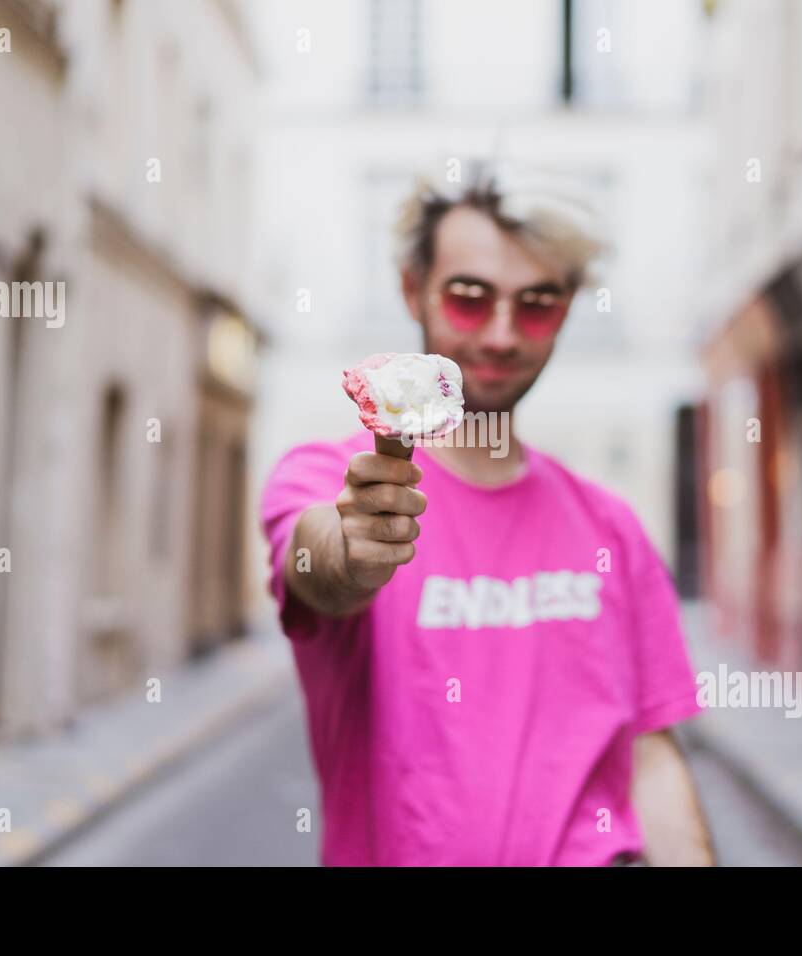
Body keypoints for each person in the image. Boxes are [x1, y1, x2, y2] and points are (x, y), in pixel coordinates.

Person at [259, 162, 715, 866]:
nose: (503, 334)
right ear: (414, 291)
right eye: (471, 299)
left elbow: (650, 757)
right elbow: (317, 567)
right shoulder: (324, 477)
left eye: (537, 303)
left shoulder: (611, 528)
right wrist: (353, 549)